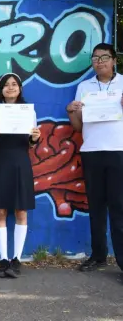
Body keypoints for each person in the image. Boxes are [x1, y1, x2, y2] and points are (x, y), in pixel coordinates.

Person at [67, 42, 123, 274]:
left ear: (114, 60)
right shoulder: (84, 87)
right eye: (95, 58)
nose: (99, 62)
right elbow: (78, 127)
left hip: (118, 151)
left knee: (119, 209)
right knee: (96, 207)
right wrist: (72, 112)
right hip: (91, 151)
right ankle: (98, 255)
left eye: (104, 57)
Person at [0, 73, 40, 278]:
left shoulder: (28, 112)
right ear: (1, 89)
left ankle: (16, 259)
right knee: (0, 212)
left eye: (14, 84)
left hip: (20, 164)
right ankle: (3, 259)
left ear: (20, 88)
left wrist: (34, 139)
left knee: (20, 211)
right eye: (6, 85)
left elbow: (31, 144)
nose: (10, 87)